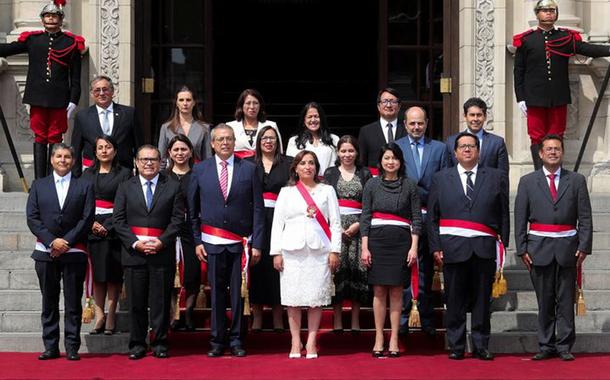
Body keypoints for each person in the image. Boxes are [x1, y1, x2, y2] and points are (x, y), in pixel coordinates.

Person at [428, 132, 509, 360]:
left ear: (478, 151)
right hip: (452, 249)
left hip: (484, 248)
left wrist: (504, 243)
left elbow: (503, 213)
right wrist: (435, 247)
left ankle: (481, 344)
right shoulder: (441, 178)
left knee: (483, 300)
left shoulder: (495, 177)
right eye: (462, 146)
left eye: (471, 146)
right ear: (454, 152)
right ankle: (456, 345)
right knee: (454, 299)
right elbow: (432, 217)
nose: (467, 150)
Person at [187, 124, 264, 358]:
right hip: (211, 243)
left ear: (234, 142)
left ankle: (238, 339)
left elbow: (258, 210)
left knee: (238, 295)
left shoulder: (249, 169)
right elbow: (192, 209)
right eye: (220, 139)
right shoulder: (200, 170)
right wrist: (198, 241)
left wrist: (258, 244)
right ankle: (217, 341)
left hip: (240, 244)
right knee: (218, 293)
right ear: (212, 143)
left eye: (229, 139)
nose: (225, 143)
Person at [514, 134, 592, 361]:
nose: (552, 152)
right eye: (548, 149)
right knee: (545, 300)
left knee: (566, 300)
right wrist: (521, 248)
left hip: (568, 248)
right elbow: (520, 217)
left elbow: (585, 217)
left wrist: (584, 246)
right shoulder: (528, 181)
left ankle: (565, 345)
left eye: (557, 149)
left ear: (562, 152)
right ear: (540, 153)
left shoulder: (576, 180)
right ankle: (546, 344)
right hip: (538, 249)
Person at [513, 0, 610, 169]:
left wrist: (608, 50)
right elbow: (519, 71)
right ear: (537, 14)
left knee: (557, 135)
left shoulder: (564, 38)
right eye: (544, 10)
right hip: (534, 97)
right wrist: (520, 97)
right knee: (536, 136)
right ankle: (539, 175)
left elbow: (587, 49)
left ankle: (556, 174)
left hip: (558, 96)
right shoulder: (527, 40)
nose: (549, 13)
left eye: (552, 10)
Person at [113, 145, 185, 360]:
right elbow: (118, 220)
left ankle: (160, 342)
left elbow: (177, 220)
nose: (148, 163)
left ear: (160, 162)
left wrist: (161, 242)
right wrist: (135, 243)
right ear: (136, 162)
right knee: (136, 302)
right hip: (134, 253)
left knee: (160, 302)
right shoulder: (125, 187)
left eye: (153, 159)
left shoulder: (172, 186)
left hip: (161, 253)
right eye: (144, 159)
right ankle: (137, 344)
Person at [0, 2, 85, 179]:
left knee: (55, 138)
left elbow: (75, 78)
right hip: (37, 97)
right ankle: (39, 181)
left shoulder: (71, 43)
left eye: (54, 16)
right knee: (39, 137)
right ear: (42, 20)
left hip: (59, 99)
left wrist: (73, 100)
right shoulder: (33, 40)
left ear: (61, 19)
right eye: (47, 16)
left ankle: (52, 180)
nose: (51, 19)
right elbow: (8, 49)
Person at [26, 143, 95, 361]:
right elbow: (32, 217)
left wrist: (66, 242)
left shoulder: (84, 185)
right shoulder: (38, 185)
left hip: (74, 251)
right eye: (58, 156)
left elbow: (87, 218)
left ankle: (72, 346)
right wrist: (51, 241)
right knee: (49, 301)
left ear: (73, 161)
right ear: (52, 159)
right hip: (45, 252)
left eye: (67, 157)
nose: (63, 160)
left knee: (73, 301)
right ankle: (50, 346)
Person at [271, 150, 342, 359]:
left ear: (316, 167)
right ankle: (295, 340)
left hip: (319, 251)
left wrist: (335, 250)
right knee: (292, 299)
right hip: (291, 252)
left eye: (311, 163)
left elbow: (335, 223)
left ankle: (311, 341)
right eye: (303, 163)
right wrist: (276, 252)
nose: (307, 167)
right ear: (296, 167)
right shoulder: (286, 192)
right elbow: (277, 224)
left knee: (315, 298)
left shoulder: (327, 190)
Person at [360, 143, 421, 358]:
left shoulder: (410, 185)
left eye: (394, 158)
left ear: (400, 161)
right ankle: (379, 336)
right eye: (387, 158)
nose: (390, 162)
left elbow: (416, 218)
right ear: (381, 161)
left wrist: (414, 247)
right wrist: (365, 247)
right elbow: (365, 217)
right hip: (377, 241)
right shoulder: (371, 185)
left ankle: (394, 337)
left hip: (401, 243)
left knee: (396, 291)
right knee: (378, 290)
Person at [395, 106, 451, 337]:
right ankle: (404, 317)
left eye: (420, 123)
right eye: (412, 123)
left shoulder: (439, 148)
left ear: (427, 123)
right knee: (403, 271)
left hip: (430, 218)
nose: (416, 127)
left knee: (427, 271)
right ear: (405, 124)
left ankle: (427, 318)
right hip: (402, 218)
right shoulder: (396, 148)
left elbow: (446, 182)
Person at [81, 136, 131, 336]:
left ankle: (111, 314)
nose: (104, 151)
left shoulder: (125, 174)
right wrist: (91, 223)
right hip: (92, 228)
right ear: (95, 151)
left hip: (115, 229)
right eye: (100, 147)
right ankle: (99, 314)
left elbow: (124, 202)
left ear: (115, 151)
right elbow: (82, 202)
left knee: (112, 275)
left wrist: (108, 226)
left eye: (108, 147)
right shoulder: (86, 175)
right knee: (98, 276)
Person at [323, 135, 372, 333]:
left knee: (357, 272)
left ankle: (355, 320)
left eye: (351, 150)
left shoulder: (365, 173)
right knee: (338, 271)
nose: (347, 154)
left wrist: (359, 225)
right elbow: (324, 202)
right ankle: (336, 319)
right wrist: (336, 227)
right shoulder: (330, 173)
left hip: (359, 229)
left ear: (357, 152)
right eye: (343, 150)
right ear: (338, 152)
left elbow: (370, 203)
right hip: (335, 228)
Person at [247, 126, 292, 332]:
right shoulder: (248, 164)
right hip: (255, 219)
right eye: (264, 138)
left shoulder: (288, 163)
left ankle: (277, 315)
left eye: (272, 138)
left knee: (278, 267)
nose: (268, 141)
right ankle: (256, 315)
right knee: (256, 267)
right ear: (258, 141)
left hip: (281, 219)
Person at [71, 75, 143, 177]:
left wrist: (140, 176)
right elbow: (76, 150)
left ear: (112, 92)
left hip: (123, 173)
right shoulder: (82, 116)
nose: (101, 93)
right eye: (97, 90)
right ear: (92, 94)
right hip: (93, 173)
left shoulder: (129, 113)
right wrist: (76, 178)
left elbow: (139, 147)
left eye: (105, 89)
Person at [164, 135, 200, 331]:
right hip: (168, 231)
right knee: (170, 275)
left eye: (183, 149)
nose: (180, 153)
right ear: (169, 153)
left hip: (191, 230)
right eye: (176, 150)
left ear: (190, 152)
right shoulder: (163, 177)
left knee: (192, 274)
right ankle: (174, 314)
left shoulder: (198, 175)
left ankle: (189, 314)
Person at [445, 97, 508, 176]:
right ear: (465, 116)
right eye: (472, 115)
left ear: (485, 117)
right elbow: (447, 175)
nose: (475, 119)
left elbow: (503, 176)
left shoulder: (497, 143)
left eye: (479, 115)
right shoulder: (451, 142)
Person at [158, 86, 212, 169]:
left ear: (194, 103)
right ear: (176, 103)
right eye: (181, 100)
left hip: (196, 174)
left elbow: (207, 159)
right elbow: (161, 159)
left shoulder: (204, 128)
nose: (185, 103)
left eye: (188, 100)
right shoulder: (166, 128)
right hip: (172, 175)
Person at [358, 88, 406, 172]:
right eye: (385, 101)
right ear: (378, 106)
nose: (388, 105)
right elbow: (362, 162)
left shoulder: (407, 130)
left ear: (399, 106)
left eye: (393, 101)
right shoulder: (366, 131)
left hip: (402, 180)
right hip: (375, 180)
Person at [286, 102, 339, 176]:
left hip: (327, 184)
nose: (313, 120)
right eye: (309, 117)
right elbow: (290, 166)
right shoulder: (294, 141)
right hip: (303, 183)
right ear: (304, 120)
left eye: (316, 116)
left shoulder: (334, 139)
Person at [227, 88, 283, 158]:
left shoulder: (271, 125)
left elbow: (279, 152)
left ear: (260, 106)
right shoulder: (230, 126)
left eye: (255, 103)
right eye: (248, 103)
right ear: (241, 106)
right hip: (238, 166)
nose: (252, 107)